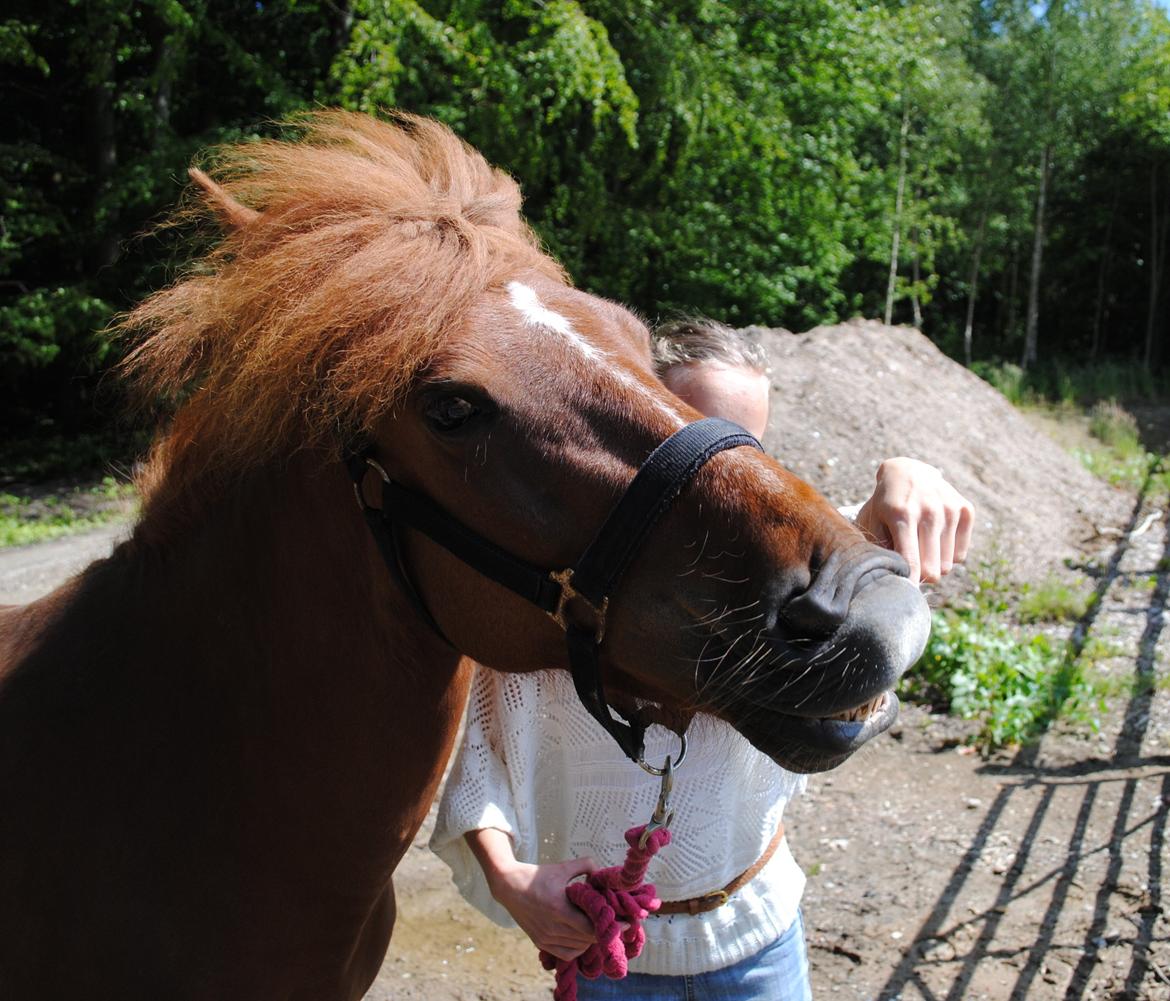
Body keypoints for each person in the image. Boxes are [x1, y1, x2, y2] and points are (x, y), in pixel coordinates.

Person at [430, 320, 974, 1000]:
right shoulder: (559, 604)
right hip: (613, 957)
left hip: (760, 943)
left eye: (746, 447)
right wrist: (513, 881)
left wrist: (907, 473)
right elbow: (482, 768)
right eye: (697, 439)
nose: (724, 480)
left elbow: (861, 548)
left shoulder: (787, 591)